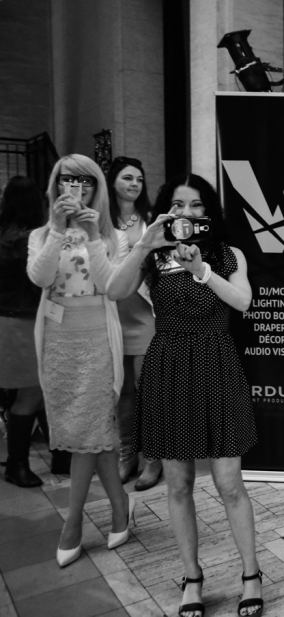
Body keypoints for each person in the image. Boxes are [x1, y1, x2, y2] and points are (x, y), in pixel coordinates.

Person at [107, 174, 263, 617]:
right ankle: (192, 577)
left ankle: (250, 574)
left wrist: (201, 271)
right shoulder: (153, 256)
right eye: (178, 205)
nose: (188, 213)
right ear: (166, 211)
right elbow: (114, 291)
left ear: (208, 212)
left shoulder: (228, 254)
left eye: (196, 205)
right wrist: (143, 244)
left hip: (216, 362)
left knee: (229, 482)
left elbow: (242, 302)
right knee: (178, 483)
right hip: (169, 365)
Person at [26, 154, 133, 567]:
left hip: (98, 341)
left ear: (96, 188)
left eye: (86, 182)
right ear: (56, 185)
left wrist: (90, 233)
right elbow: (39, 277)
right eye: (69, 181)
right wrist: (56, 229)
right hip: (57, 341)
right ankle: (121, 507)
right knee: (93, 432)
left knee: (90, 426)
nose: (78, 189)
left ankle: (72, 521)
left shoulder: (112, 238)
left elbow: (111, 285)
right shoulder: (41, 233)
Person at [106, 157, 161, 490]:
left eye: (140, 179)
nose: (135, 183)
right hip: (113, 314)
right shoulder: (100, 221)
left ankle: (154, 458)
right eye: (128, 177)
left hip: (145, 313)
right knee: (123, 391)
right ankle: (128, 454)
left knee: (148, 389)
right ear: (112, 182)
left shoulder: (151, 220)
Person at [0, 176, 46, 487]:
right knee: (31, 395)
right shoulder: (29, 240)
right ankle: (16, 465)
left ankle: (61, 455)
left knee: (32, 393)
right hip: (23, 324)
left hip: (7, 322)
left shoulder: (4, 234)